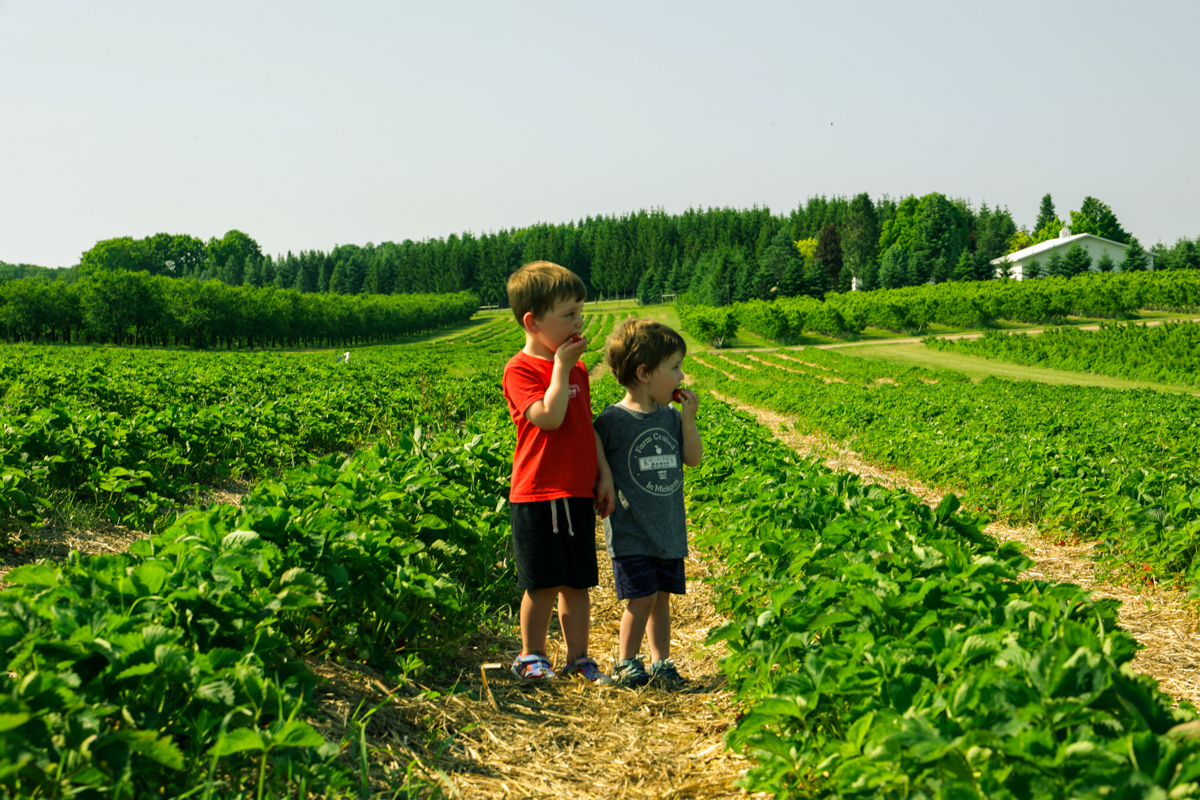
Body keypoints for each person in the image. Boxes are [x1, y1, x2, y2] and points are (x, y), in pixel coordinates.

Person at [502, 261, 616, 684]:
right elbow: (548, 418)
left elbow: (584, 426)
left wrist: (604, 474)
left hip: (576, 491)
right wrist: (562, 368)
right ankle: (531, 655)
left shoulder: (577, 370)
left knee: (577, 583)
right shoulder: (520, 370)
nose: (579, 322)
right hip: (539, 493)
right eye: (569, 314)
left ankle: (578, 658)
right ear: (533, 322)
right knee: (543, 583)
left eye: (579, 312)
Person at [594, 318, 702, 689]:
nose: (681, 376)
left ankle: (661, 663)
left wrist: (688, 421)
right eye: (674, 367)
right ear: (643, 373)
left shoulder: (671, 417)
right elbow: (592, 451)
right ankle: (626, 662)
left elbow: (693, 459)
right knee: (641, 599)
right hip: (632, 532)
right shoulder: (612, 420)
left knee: (661, 600)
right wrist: (603, 479)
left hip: (667, 529)